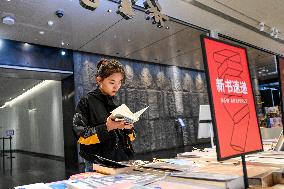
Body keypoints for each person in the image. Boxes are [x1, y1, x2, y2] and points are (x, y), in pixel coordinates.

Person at [73, 59, 135, 172]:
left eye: (119, 82)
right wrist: (107, 127)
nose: (117, 87)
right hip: (97, 164)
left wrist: (129, 129)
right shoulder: (86, 102)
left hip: (121, 160)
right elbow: (81, 136)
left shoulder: (117, 104)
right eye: (112, 82)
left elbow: (130, 138)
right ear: (99, 80)